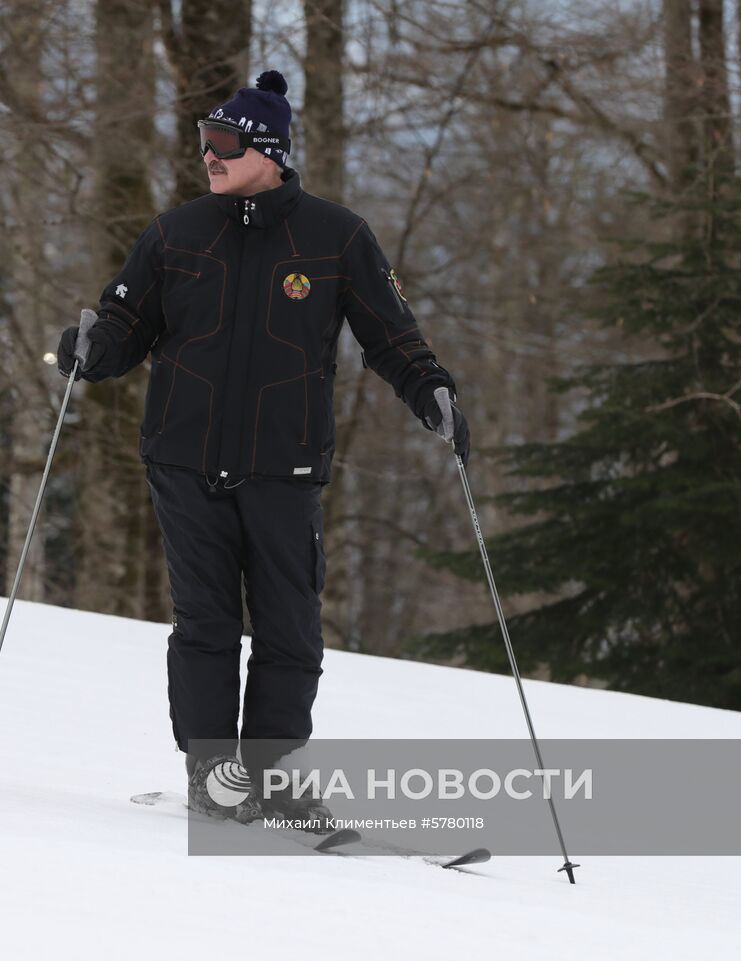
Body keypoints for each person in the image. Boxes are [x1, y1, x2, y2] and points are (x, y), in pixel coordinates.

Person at [57, 70, 469, 826]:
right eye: (203, 143)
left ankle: (274, 777)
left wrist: (431, 392)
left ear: (269, 152)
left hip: (284, 466)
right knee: (207, 625)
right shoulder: (175, 233)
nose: (208, 157)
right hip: (184, 459)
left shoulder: (335, 236)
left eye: (223, 144)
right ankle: (214, 779)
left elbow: (392, 336)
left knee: (290, 630)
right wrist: (86, 348)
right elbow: (123, 326)